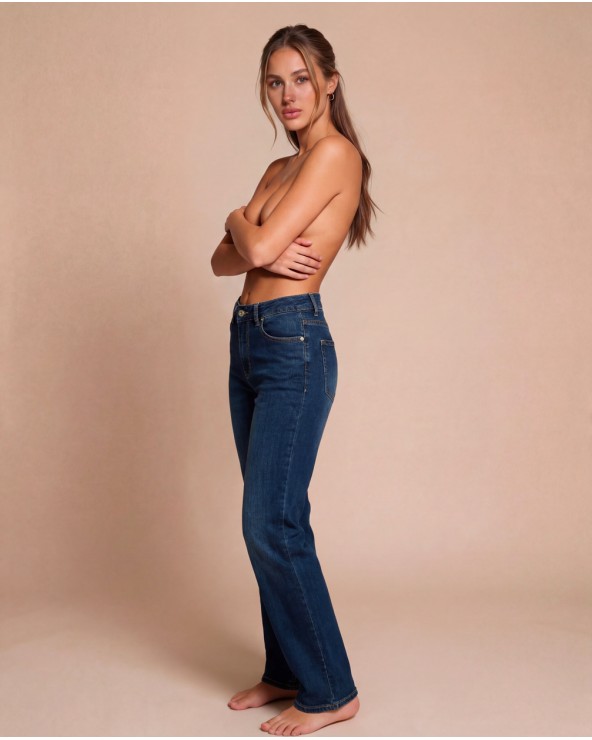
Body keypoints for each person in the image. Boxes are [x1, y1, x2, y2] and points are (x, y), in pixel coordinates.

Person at [211, 24, 378, 736]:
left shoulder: (336, 154)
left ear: (330, 82)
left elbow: (252, 246)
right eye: (275, 81)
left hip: (292, 345)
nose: (288, 94)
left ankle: (331, 688)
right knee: (268, 520)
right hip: (249, 341)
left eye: (301, 78)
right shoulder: (280, 168)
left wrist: (239, 222)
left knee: (271, 520)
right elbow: (223, 261)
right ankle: (285, 669)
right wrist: (248, 239)